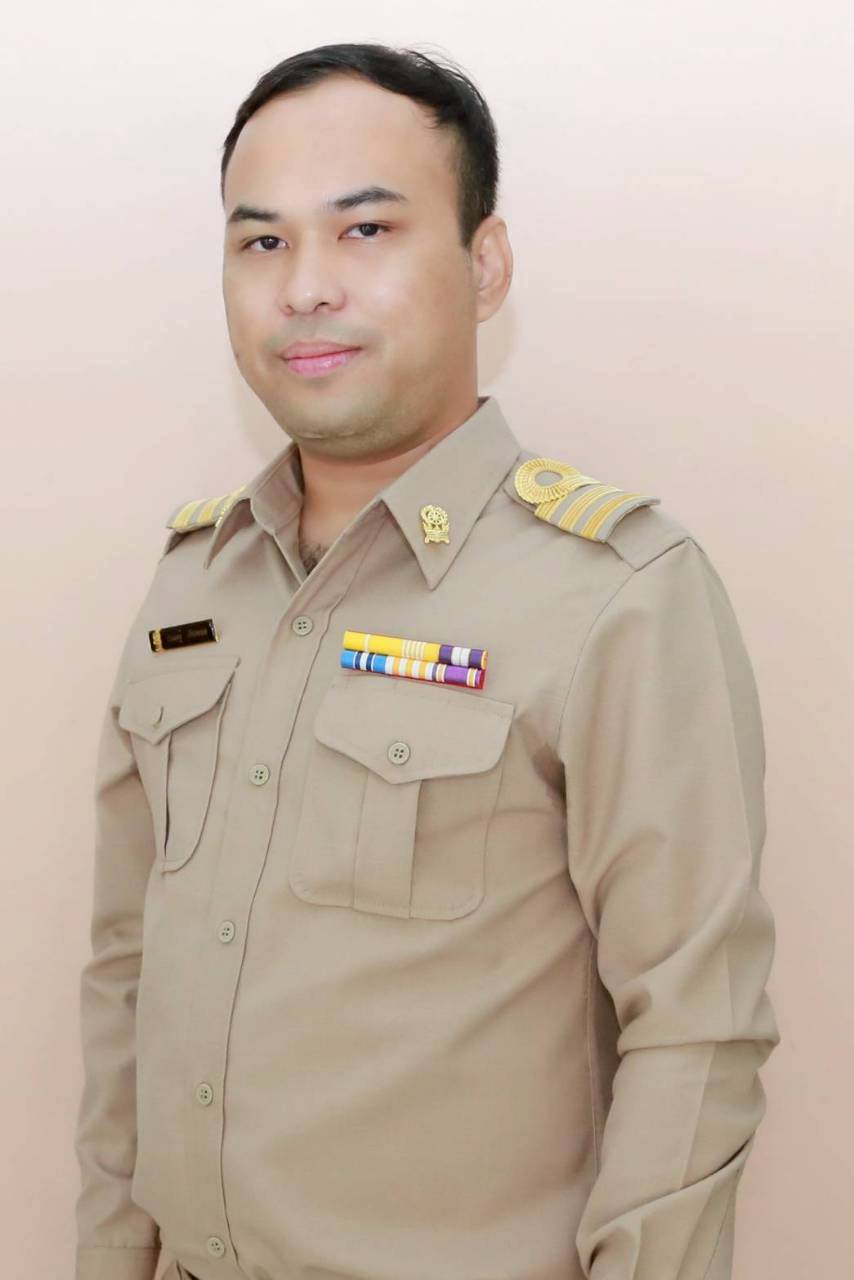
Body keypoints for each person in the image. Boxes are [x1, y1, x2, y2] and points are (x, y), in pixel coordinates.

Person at [73, 42, 780, 1280]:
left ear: (483, 263)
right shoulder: (193, 583)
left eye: (364, 231)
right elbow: (128, 972)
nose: (305, 287)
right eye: (262, 241)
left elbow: (695, 1024)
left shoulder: (614, 589)